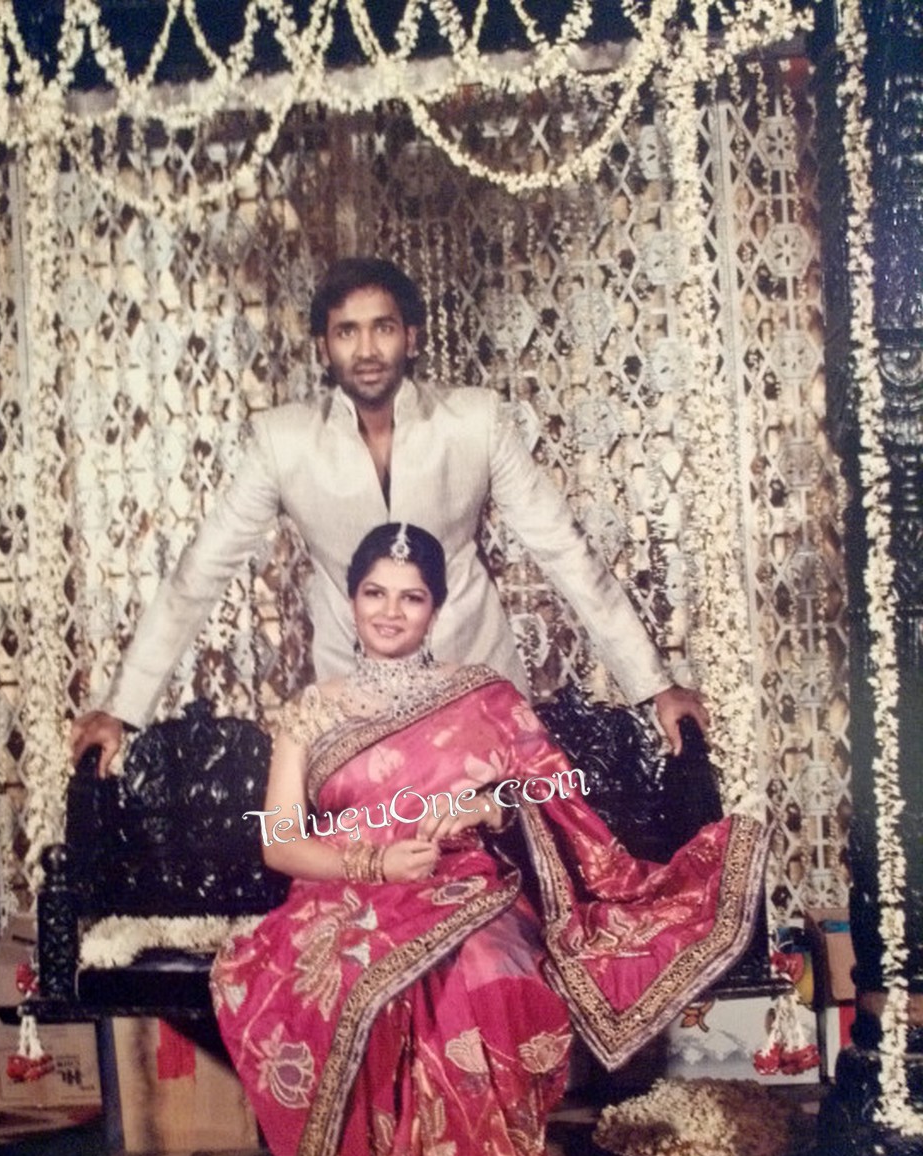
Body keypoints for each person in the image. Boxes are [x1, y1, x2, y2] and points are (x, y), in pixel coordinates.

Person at [211, 522, 766, 1156]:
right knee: (380, 986)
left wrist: (487, 804)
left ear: (436, 609)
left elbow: (551, 796)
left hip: (468, 887)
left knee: (485, 980)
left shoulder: (486, 696)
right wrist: (374, 863)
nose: (391, 612)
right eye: (375, 593)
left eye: (411, 597)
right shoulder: (311, 712)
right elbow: (278, 840)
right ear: (350, 599)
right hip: (348, 897)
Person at [72, 257, 708, 777]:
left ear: (413, 337)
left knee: (494, 870)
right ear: (324, 347)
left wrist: (653, 687)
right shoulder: (283, 443)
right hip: (353, 708)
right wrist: (122, 710)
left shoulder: (475, 422)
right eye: (347, 332)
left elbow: (566, 551)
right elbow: (199, 572)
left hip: (476, 688)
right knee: (377, 877)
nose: (367, 349)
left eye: (382, 328)